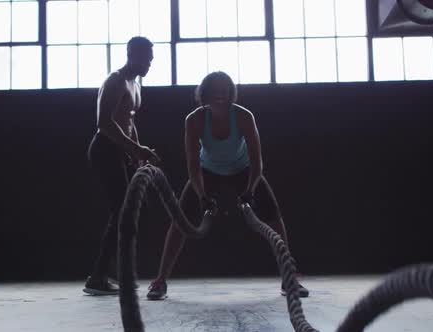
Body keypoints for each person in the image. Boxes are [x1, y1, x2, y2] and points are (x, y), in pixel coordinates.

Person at [146, 71, 309, 300]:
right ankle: (160, 281)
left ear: (231, 93)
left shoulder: (243, 117)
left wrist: (251, 189)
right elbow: (193, 164)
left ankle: (289, 278)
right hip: (207, 171)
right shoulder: (194, 120)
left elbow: (257, 160)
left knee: (274, 218)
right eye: (215, 91)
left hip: (243, 170)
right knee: (179, 221)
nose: (220, 95)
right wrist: (202, 194)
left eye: (224, 91)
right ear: (205, 94)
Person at [83, 36, 160, 295]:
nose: (150, 62)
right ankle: (98, 277)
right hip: (105, 149)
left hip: (123, 151)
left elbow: (129, 121)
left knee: (136, 210)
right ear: (132, 54)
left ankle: (114, 271)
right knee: (121, 212)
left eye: (151, 58)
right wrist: (135, 149)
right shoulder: (115, 81)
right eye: (146, 57)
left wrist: (138, 153)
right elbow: (104, 122)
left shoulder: (136, 84)